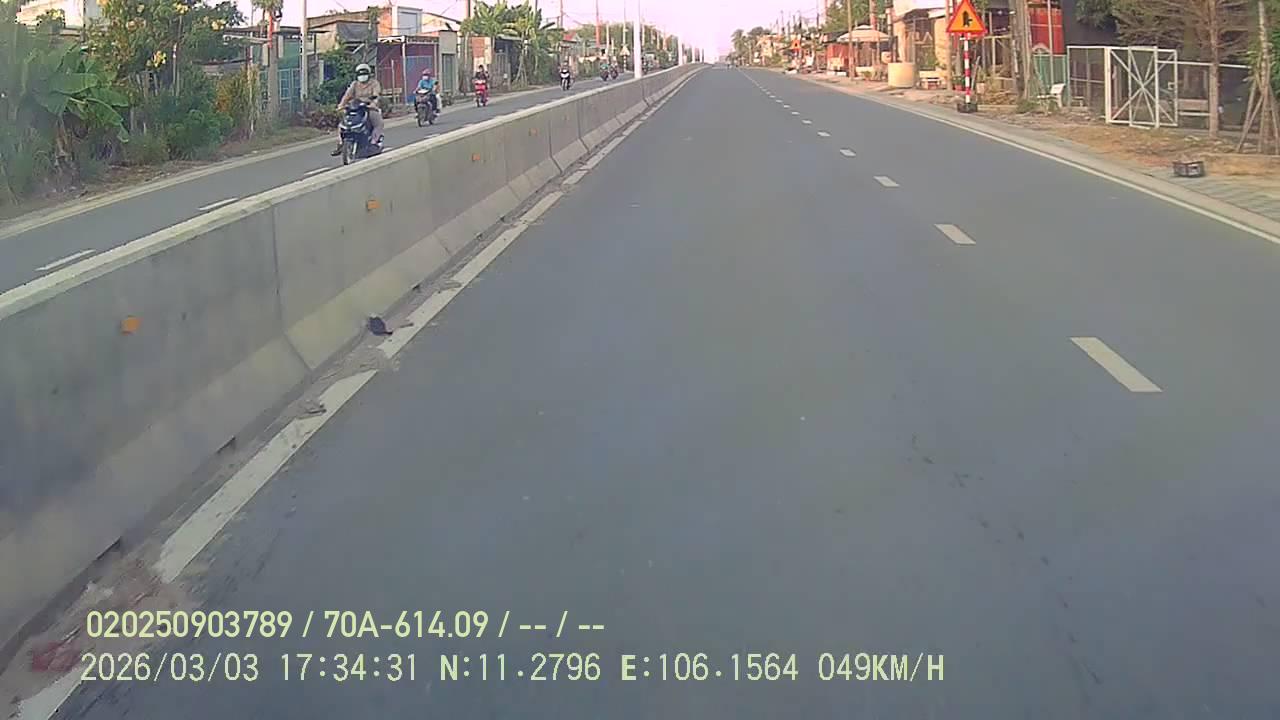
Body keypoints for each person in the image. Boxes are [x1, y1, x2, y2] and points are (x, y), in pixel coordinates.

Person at [332, 63, 383, 155]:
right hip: (355, 107)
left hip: (368, 107)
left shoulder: (374, 83)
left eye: (364, 73)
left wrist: (373, 103)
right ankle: (340, 143)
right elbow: (347, 96)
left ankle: (373, 142)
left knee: (378, 123)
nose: (362, 76)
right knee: (342, 124)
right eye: (360, 74)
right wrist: (341, 105)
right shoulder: (354, 84)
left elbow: (376, 95)